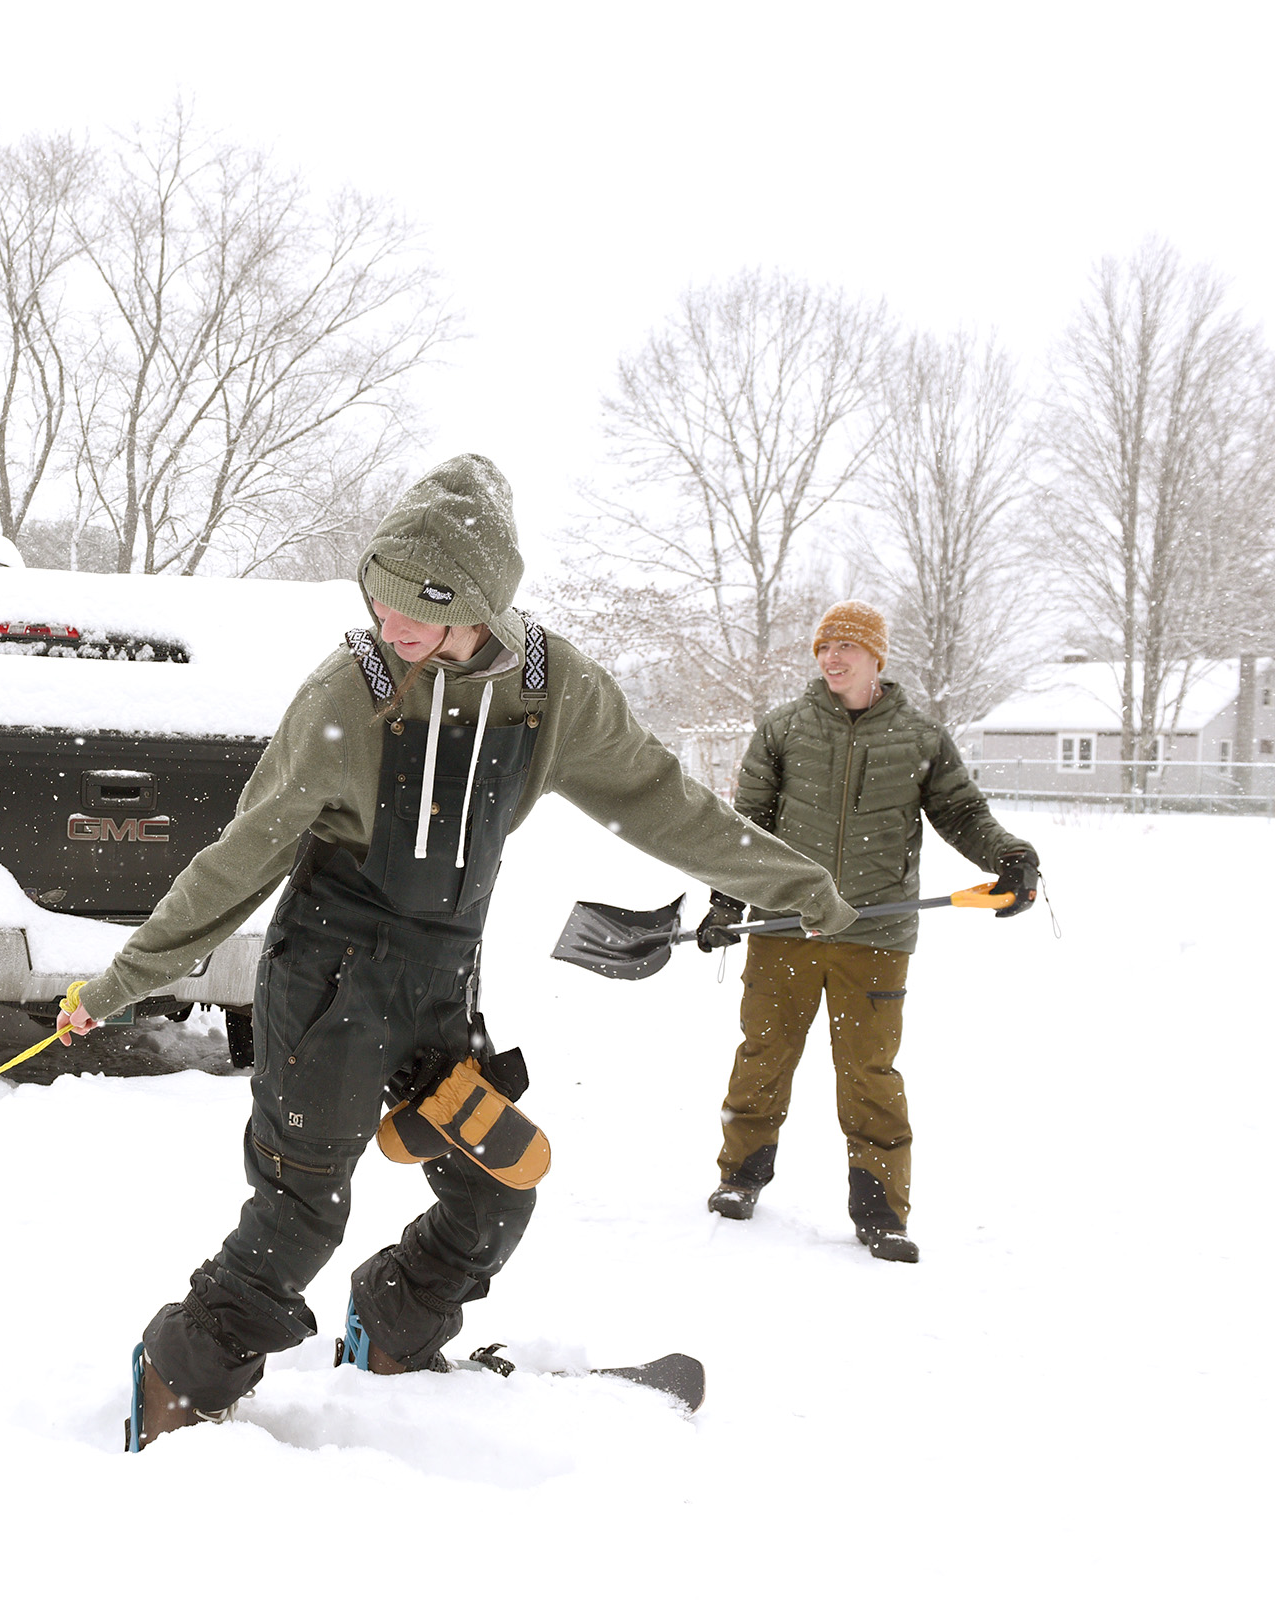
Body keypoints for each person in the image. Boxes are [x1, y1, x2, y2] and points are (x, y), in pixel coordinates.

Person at [56, 455, 858, 1449]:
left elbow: (660, 797)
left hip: (440, 990)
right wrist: (129, 980)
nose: (389, 626)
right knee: (300, 1211)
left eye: (416, 613)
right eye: (380, 601)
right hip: (329, 983)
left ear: (478, 607)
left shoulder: (548, 688)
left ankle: (393, 1333)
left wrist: (793, 882)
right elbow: (244, 855)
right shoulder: (348, 692)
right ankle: (183, 1378)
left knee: (497, 1181)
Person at [695, 601, 1038, 1263]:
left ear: (876, 657)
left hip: (874, 932)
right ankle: (740, 1177)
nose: (833, 659)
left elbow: (962, 813)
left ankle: (881, 1210)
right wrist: (723, 902)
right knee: (763, 1056)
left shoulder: (919, 738)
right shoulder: (783, 730)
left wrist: (1009, 856)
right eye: (825, 648)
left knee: (870, 1074)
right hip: (789, 925)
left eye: (847, 648)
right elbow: (747, 828)